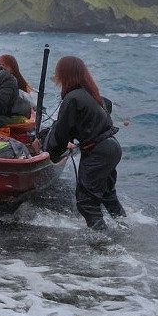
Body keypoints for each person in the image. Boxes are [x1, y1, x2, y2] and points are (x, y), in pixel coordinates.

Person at [42, 55, 126, 230]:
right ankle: (124, 228)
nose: (55, 75)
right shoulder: (90, 93)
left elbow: (61, 133)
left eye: (58, 71)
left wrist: (49, 155)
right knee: (107, 194)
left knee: (86, 202)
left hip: (99, 151)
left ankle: (102, 245)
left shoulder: (72, 98)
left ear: (66, 73)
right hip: (112, 147)